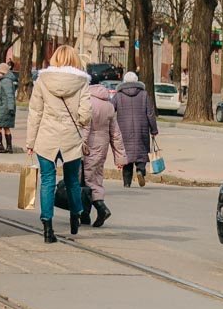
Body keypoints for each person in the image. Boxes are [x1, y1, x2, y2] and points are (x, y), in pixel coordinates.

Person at [25, 45, 92, 243]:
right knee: (72, 181)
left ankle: (47, 227)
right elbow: (86, 114)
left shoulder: (42, 81)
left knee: (47, 181)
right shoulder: (81, 82)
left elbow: (35, 113)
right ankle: (75, 215)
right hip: (71, 139)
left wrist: (30, 141)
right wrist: (79, 122)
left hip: (46, 138)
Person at [83, 83, 126, 227]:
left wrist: (78, 145)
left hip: (89, 144)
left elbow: (85, 127)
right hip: (103, 145)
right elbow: (116, 133)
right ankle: (85, 215)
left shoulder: (88, 102)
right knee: (96, 176)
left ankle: (101, 208)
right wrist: (119, 157)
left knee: (87, 180)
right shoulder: (108, 105)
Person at [114, 71, 158, 187]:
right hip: (141, 130)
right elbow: (150, 114)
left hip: (124, 131)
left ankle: (127, 183)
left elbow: (110, 109)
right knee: (141, 153)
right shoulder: (144, 95)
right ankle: (140, 170)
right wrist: (154, 130)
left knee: (127, 158)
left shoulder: (118, 95)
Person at [0, 62, 17, 153]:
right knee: (6, 126)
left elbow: (9, 95)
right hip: (6, 106)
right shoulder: (5, 80)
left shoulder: (6, 81)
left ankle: (0, 145)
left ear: (2, 72)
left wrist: (10, 108)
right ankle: (9, 147)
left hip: (5, 107)